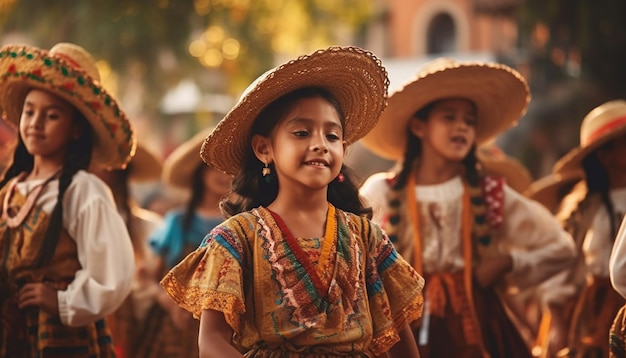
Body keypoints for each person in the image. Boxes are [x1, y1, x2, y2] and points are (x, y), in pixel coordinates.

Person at [160, 46, 425, 357]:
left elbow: (398, 339)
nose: (319, 145)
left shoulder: (367, 238)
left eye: (332, 136)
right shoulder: (236, 239)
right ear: (263, 149)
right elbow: (211, 342)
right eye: (301, 132)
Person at [359, 57, 576, 358]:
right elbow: (353, 260)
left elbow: (561, 249)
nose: (461, 126)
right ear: (419, 126)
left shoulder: (490, 194)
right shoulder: (381, 190)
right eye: (449, 117)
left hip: (480, 327)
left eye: (469, 121)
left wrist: (506, 264)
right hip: (403, 329)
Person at [0, 42, 135, 356]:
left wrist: (61, 301)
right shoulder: (8, 190)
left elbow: (113, 274)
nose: (35, 122)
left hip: (59, 338)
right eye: (30, 111)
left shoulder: (83, 190)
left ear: (76, 129)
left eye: (52, 115)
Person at [542, 99, 626, 358]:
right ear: (604, 155)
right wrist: (557, 324)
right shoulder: (584, 211)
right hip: (593, 312)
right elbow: (558, 270)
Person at [138, 128, 231, 357]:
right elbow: (148, 276)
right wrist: (168, 301)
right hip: (172, 327)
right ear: (200, 171)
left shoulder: (241, 225)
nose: (224, 174)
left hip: (226, 331)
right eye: (215, 166)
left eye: (230, 168)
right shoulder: (177, 222)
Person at [92, 143, 164, 358]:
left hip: (140, 338)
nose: (101, 170)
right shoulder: (73, 224)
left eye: (109, 164)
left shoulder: (151, 228)